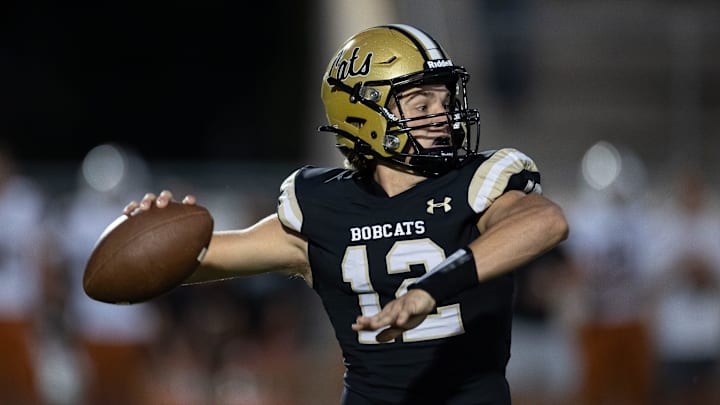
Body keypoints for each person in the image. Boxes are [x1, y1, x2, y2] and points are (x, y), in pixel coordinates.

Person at [122, 24, 568, 404]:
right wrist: (144, 236)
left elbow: (545, 222)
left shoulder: (477, 183)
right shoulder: (322, 206)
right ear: (365, 114)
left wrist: (432, 288)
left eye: (444, 101)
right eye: (422, 105)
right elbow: (192, 263)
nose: (444, 118)